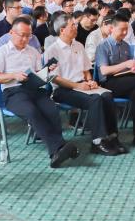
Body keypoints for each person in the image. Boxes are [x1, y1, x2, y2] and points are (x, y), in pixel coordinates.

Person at [0, 18, 79, 169]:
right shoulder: (1, 52)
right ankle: (58, 148)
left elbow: (37, 73)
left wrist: (46, 71)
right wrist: (14, 75)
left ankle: (58, 150)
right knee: (31, 111)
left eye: (28, 36)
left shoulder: (33, 52)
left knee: (51, 109)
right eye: (22, 35)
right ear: (11, 33)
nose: (25, 39)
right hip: (13, 92)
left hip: (34, 88)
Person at [49, 15, 128, 155]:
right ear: (62, 30)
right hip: (63, 90)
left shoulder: (78, 45)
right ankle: (97, 141)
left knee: (107, 95)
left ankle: (112, 136)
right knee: (95, 99)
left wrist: (90, 80)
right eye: (72, 25)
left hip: (82, 85)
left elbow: (86, 69)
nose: (76, 28)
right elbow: (55, 78)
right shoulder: (53, 50)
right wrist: (77, 86)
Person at [94, 14, 135, 147]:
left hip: (126, 81)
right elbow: (104, 71)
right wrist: (125, 65)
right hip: (108, 83)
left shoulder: (126, 45)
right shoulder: (103, 46)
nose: (124, 32)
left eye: (126, 29)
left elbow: (128, 68)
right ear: (112, 28)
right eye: (121, 29)